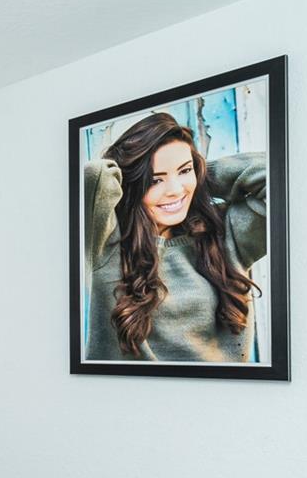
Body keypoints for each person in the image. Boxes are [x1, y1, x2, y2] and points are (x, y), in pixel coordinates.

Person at [83, 111, 267, 363]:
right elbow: (92, 177)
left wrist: (200, 176)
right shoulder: (105, 240)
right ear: (132, 183)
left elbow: (279, 175)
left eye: (185, 170)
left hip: (222, 388)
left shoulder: (225, 230)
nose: (175, 190)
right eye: (155, 180)